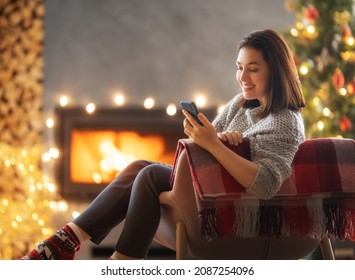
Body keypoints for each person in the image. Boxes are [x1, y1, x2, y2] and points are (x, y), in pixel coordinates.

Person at [20, 29, 306, 260]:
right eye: (239, 68)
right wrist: (213, 140)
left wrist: (217, 146)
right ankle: (67, 243)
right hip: (208, 191)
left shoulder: (284, 121)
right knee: (140, 168)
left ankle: (104, 257)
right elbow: (205, 149)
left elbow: (266, 184)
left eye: (253, 69)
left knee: (145, 173)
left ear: (276, 70)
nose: (242, 78)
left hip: (230, 211)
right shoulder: (241, 105)